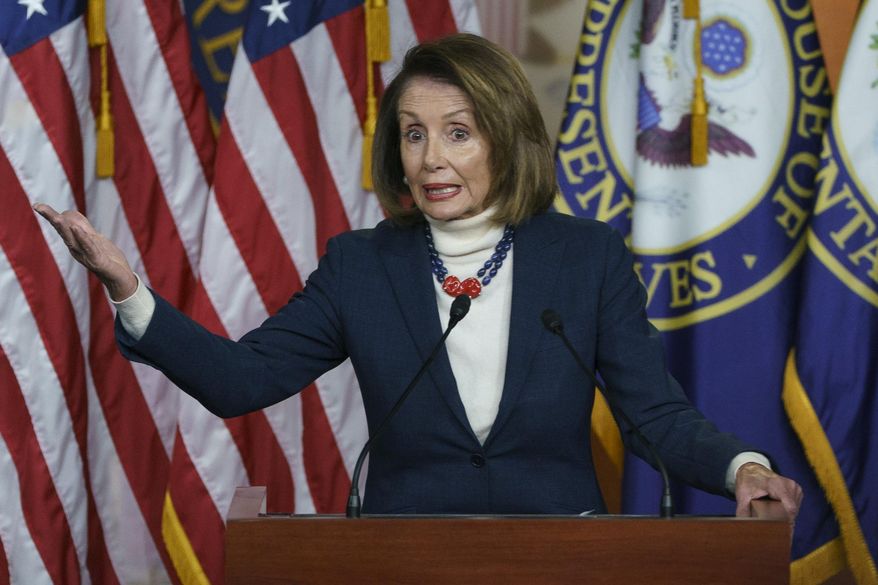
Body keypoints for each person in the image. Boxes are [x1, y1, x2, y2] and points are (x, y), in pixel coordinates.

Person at [35, 33, 801, 518]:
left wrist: (742, 467)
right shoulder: (362, 265)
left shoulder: (585, 258)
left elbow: (653, 416)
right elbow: (241, 379)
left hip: (562, 563)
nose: (430, 158)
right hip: (401, 563)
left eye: (457, 133)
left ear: (506, 138)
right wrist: (128, 291)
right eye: (412, 134)